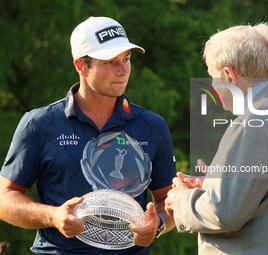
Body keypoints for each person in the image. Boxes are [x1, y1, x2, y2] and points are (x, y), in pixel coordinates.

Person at [0, 16, 176, 254]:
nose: (123, 70)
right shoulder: (40, 123)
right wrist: (53, 216)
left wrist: (159, 224)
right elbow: (5, 199)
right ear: (81, 66)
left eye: (126, 59)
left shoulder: (152, 126)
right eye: (110, 62)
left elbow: (169, 201)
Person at [165, 23, 268, 254]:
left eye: (213, 77)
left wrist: (180, 200)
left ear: (229, 75)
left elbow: (223, 214)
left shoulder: (253, 124)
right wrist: (215, 185)